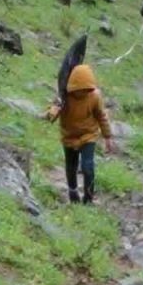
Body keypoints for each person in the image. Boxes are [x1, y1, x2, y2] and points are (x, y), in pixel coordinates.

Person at [46, 64, 116, 205]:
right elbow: (52, 113)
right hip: (69, 136)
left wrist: (107, 137)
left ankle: (88, 198)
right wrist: (53, 112)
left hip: (88, 135)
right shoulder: (64, 97)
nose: (83, 93)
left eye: (86, 90)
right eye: (80, 90)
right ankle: (73, 194)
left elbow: (101, 116)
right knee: (71, 166)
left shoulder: (94, 97)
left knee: (87, 167)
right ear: (73, 88)